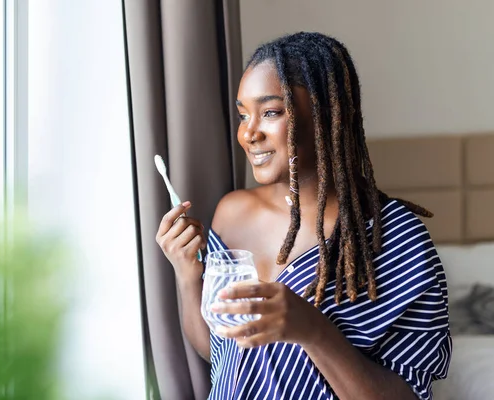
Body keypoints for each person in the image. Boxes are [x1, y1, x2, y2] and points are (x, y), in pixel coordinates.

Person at [156, 32, 451, 400]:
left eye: (270, 112)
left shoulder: (394, 238)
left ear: (328, 115)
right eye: (243, 114)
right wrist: (187, 275)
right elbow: (222, 353)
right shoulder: (231, 214)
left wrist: (313, 330)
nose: (249, 133)